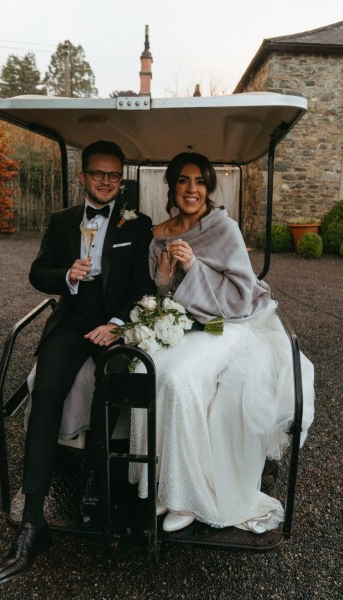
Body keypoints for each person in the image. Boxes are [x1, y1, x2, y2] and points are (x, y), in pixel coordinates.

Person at [0, 140, 155, 585]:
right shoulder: (62, 222)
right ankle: (32, 522)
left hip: (112, 324)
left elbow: (144, 287)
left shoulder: (136, 225)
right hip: (71, 321)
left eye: (114, 175)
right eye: (98, 174)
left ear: (121, 179)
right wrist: (66, 276)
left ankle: (96, 487)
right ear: (82, 176)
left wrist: (118, 324)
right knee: (45, 391)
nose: (106, 182)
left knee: (113, 384)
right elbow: (37, 273)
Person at [129, 152, 315, 533]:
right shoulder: (159, 234)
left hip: (228, 324)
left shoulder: (223, 228)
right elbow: (164, 294)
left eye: (200, 182)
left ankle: (188, 497)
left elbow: (240, 295)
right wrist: (165, 275)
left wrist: (196, 266)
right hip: (183, 324)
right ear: (172, 186)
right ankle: (162, 483)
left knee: (181, 380)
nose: (191, 189)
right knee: (146, 371)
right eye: (183, 180)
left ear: (209, 188)